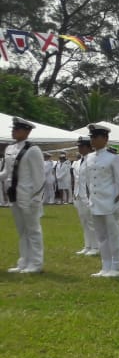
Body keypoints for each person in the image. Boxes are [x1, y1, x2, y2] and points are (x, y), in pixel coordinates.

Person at [3, 117, 46, 273]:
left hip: (28, 196)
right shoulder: (9, 149)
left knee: (33, 230)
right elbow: (7, 173)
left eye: (17, 129)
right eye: (13, 129)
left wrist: (37, 199)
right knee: (22, 231)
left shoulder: (33, 150)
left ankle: (36, 263)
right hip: (14, 194)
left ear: (26, 131)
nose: (13, 131)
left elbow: (40, 178)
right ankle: (23, 261)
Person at [85, 125, 119, 277]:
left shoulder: (114, 157)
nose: (92, 140)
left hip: (110, 203)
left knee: (113, 235)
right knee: (101, 237)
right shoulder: (89, 157)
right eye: (91, 137)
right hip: (95, 203)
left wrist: (117, 204)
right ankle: (105, 266)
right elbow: (89, 181)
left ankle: (116, 267)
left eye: (95, 137)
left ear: (105, 138)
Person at [70, 136, 99, 256]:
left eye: (81, 146)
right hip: (78, 195)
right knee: (84, 222)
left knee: (92, 222)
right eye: (78, 146)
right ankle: (87, 245)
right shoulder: (77, 162)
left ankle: (96, 247)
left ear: (88, 147)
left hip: (89, 195)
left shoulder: (93, 160)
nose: (79, 148)